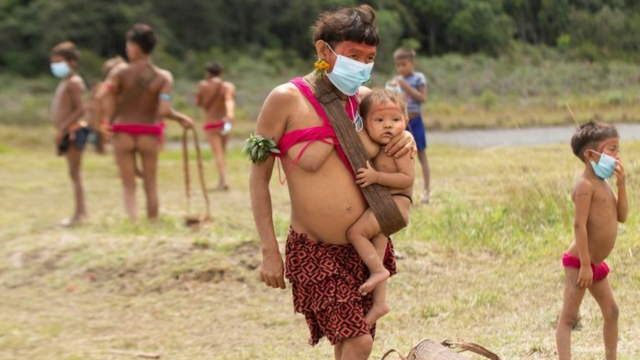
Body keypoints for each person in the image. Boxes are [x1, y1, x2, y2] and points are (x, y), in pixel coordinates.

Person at [250, 5, 415, 360]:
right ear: (324, 51)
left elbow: (395, 133)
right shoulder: (285, 99)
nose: (363, 65)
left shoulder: (363, 102)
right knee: (359, 342)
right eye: (353, 55)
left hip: (366, 249)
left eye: (369, 57)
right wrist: (269, 250)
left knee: (350, 345)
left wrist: (407, 140)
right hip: (315, 250)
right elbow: (258, 179)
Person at [100, 24, 193, 222]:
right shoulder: (163, 77)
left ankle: (133, 223)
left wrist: (106, 121)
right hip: (148, 133)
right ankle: (152, 222)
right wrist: (180, 118)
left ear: (134, 46)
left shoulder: (119, 72)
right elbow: (163, 110)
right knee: (150, 184)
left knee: (129, 185)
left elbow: (103, 95)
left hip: (122, 131)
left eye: (128, 44)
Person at [556, 121, 627, 360]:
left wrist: (622, 185)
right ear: (590, 155)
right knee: (569, 318)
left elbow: (623, 216)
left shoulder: (604, 184)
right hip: (581, 262)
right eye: (612, 150)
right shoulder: (585, 186)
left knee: (612, 312)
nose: (617, 156)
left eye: (618, 149)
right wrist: (585, 264)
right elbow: (579, 226)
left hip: (594, 264)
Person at [346, 89, 414, 327]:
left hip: (395, 204)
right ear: (365, 125)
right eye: (380, 120)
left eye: (395, 120)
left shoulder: (399, 145)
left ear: (405, 122)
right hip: (386, 205)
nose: (388, 126)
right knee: (378, 250)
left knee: (356, 233)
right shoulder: (375, 143)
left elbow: (407, 179)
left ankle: (377, 272)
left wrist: (376, 177)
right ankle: (380, 304)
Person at [49, 41, 88, 226]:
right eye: (54, 62)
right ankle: (79, 212)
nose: (55, 65)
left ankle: (79, 214)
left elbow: (81, 108)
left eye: (59, 61)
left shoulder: (74, 82)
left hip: (73, 131)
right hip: (65, 130)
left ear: (72, 62)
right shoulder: (65, 82)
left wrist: (63, 128)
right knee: (72, 173)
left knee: (75, 173)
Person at [390, 48, 430, 203]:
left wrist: (404, 85)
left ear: (412, 63)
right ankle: (404, 193)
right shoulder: (397, 79)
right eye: (398, 65)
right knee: (402, 158)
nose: (401, 68)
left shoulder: (419, 78)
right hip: (402, 123)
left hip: (416, 121)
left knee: (421, 155)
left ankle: (426, 191)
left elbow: (422, 98)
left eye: (404, 64)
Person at [195, 61, 236, 191]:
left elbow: (199, 103)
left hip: (211, 123)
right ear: (221, 73)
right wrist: (230, 115)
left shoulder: (203, 85)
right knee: (222, 153)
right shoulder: (227, 86)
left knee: (217, 153)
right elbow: (229, 100)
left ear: (207, 73)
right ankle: (221, 180)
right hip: (225, 123)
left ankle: (223, 181)